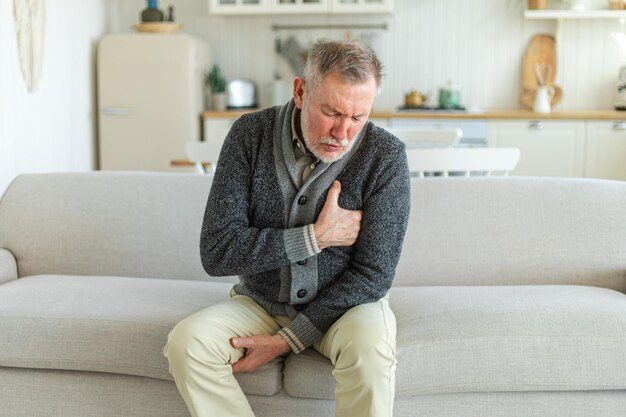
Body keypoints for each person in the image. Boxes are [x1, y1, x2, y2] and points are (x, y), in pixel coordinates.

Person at [164, 38, 410, 417]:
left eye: (357, 118)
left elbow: (374, 275)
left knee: (370, 352)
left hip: (348, 307)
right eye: (330, 112)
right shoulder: (249, 136)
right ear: (300, 91)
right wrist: (314, 238)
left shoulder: (386, 156)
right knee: (187, 343)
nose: (342, 133)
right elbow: (216, 252)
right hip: (262, 302)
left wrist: (289, 340)